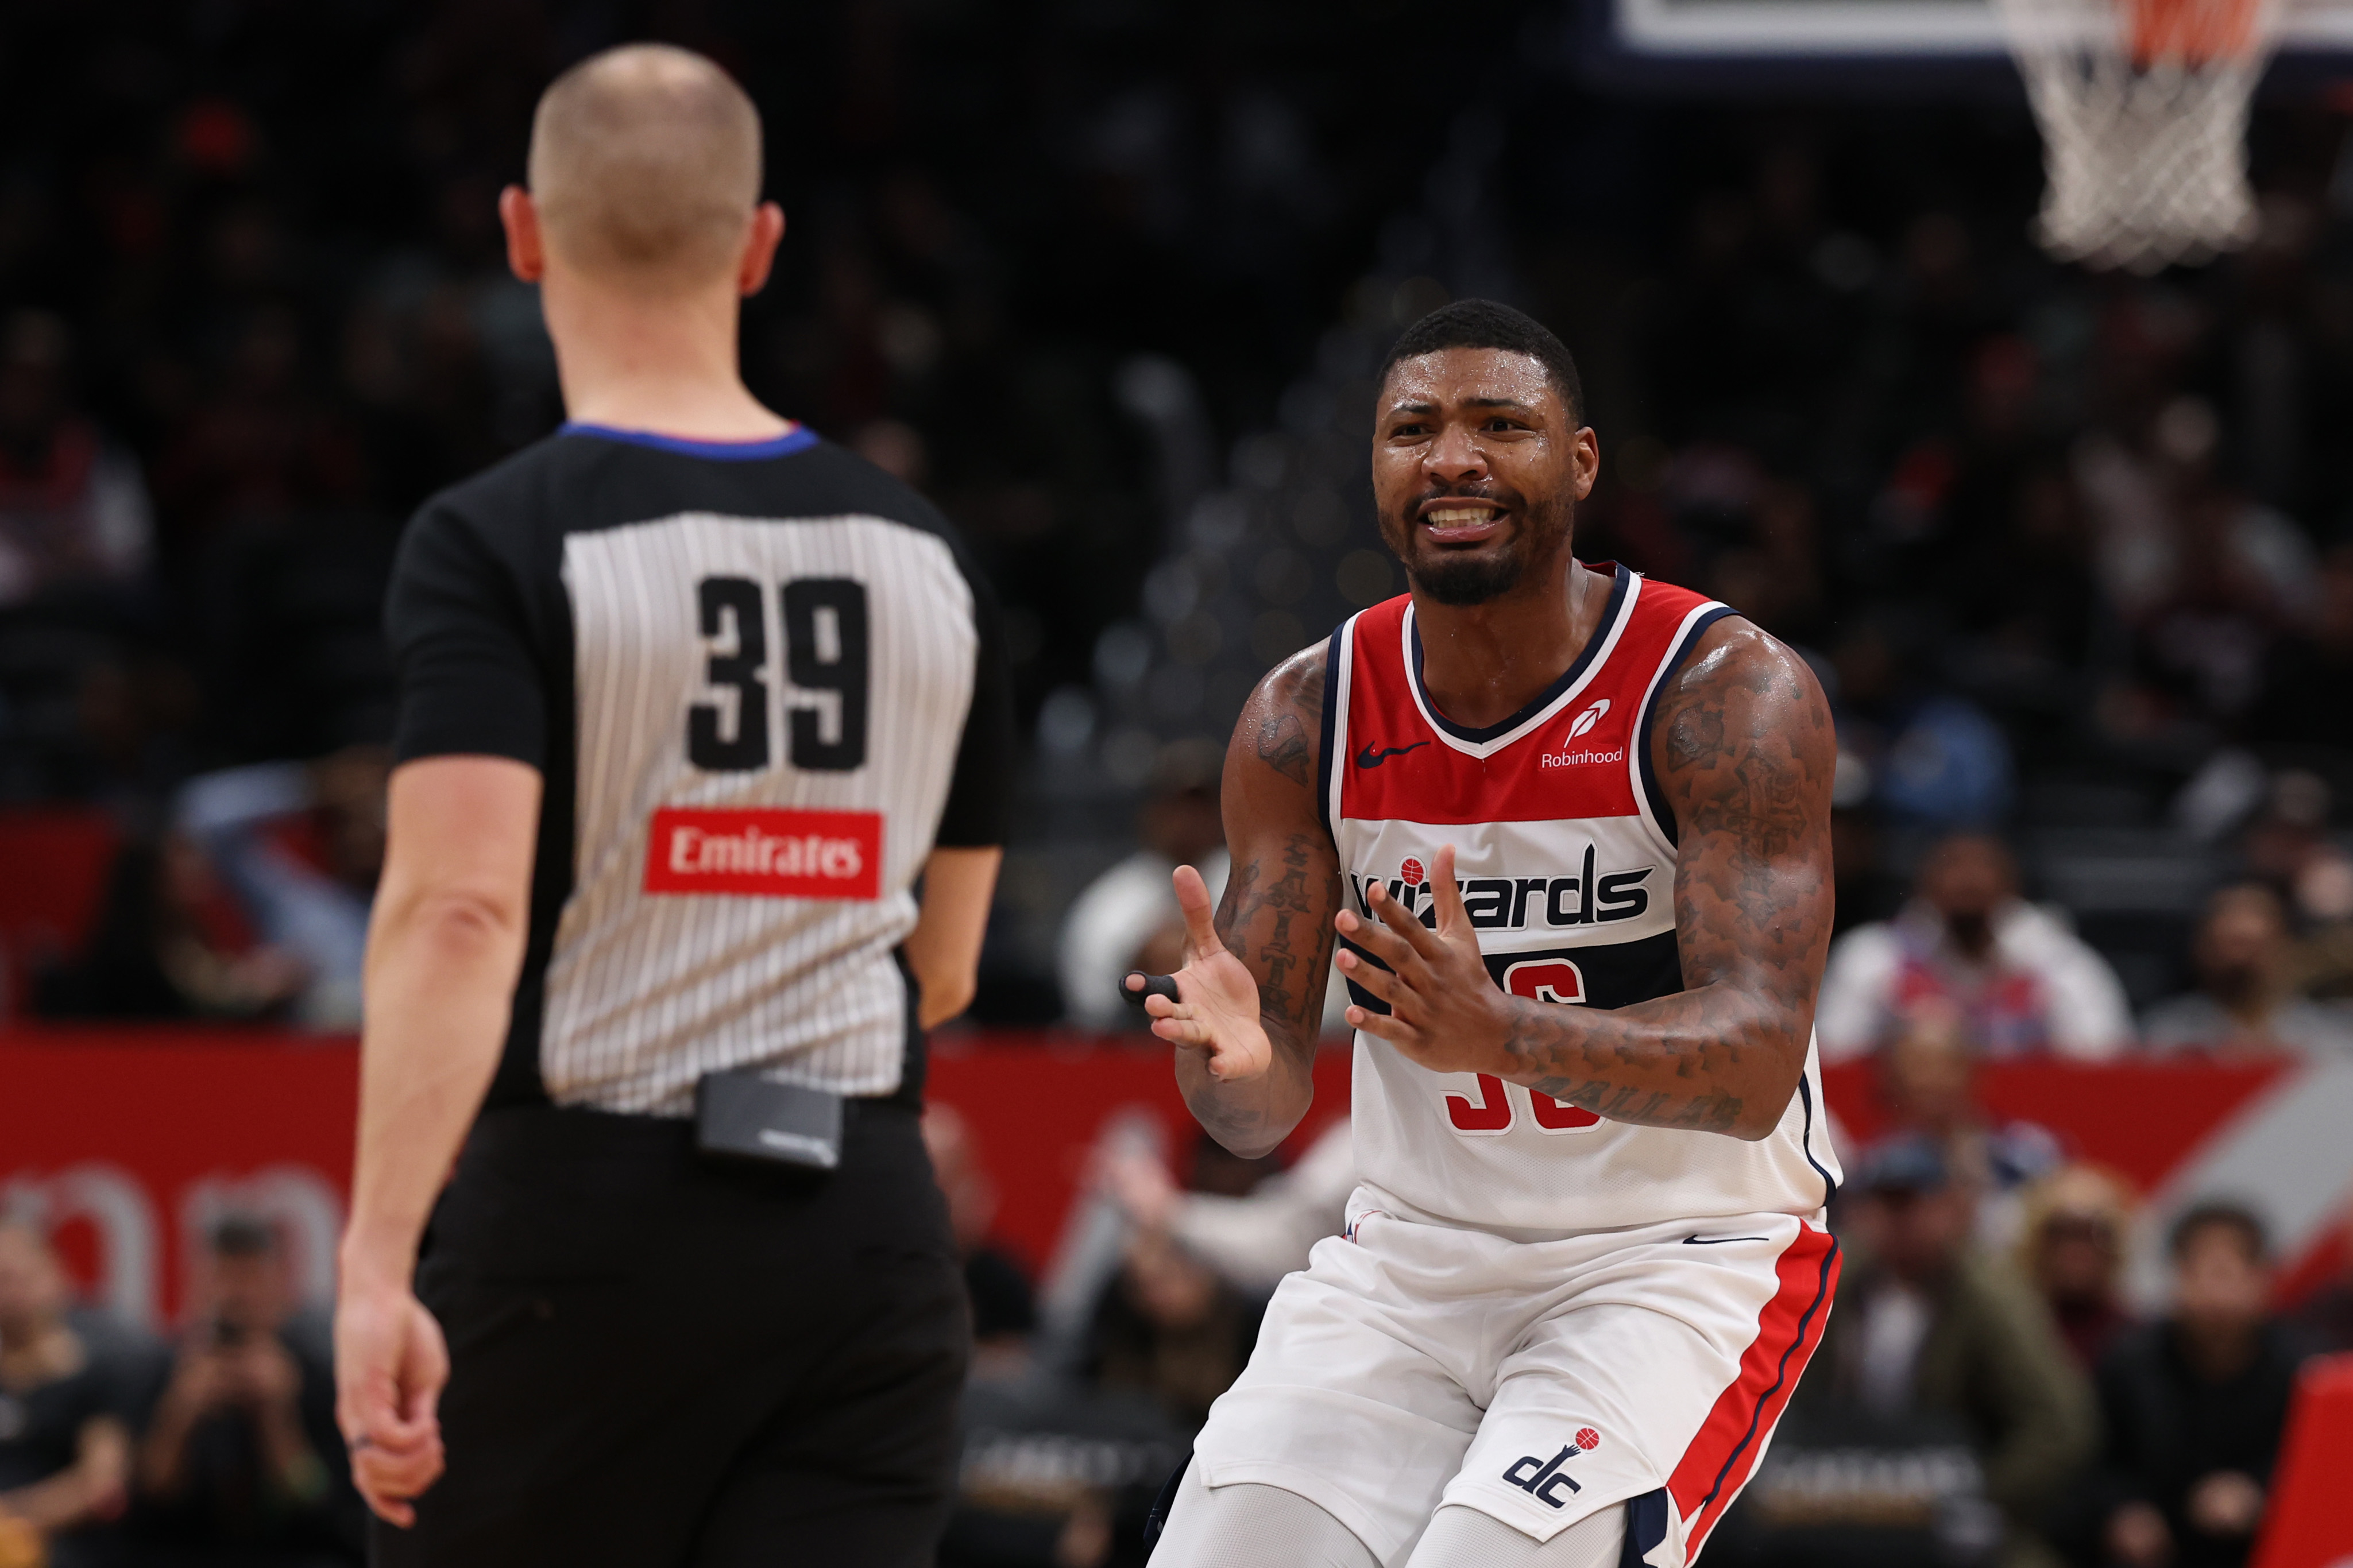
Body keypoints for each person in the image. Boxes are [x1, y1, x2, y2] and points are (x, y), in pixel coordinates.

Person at [330, 44, 1013, 1568]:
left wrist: (375, 1261)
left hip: (579, 1231)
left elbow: (458, 909)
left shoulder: (492, 538)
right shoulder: (927, 553)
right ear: (758, 245)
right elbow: (945, 962)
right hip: (865, 1231)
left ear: (523, 234)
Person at [1133, 299, 1846, 1568]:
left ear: (1579, 462)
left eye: (1498, 426)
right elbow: (1254, 1113)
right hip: (1408, 1263)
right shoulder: (1304, 716)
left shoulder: (1720, 692)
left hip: (1669, 1262)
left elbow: (1750, 1071)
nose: (1450, 459)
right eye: (1412, 429)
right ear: (1374, 466)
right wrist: (1233, 1065)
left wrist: (1496, 1031)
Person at [1802, 1137, 2095, 1568]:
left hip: (1957, 1508)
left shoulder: (1991, 1299)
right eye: (1883, 1203)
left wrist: (1980, 1493)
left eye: (1910, 1203)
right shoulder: (1827, 1286)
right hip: (1829, 1500)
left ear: (1951, 1208)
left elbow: (2061, 1424)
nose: (1897, 1220)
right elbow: (1777, 1396)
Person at [2076, 1204, 2310, 1568]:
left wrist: (2259, 1492)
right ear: (2177, 1275)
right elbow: (2095, 1461)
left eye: (2231, 1272)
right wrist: (2121, 1509)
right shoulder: (2129, 1362)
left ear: (2263, 1277)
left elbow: (2323, 1471)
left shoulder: (2306, 1369)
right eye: (2202, 1271)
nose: (2217, 1292)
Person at [133, 1217, 360, 1564]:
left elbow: (318, 1503)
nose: (235, 1295)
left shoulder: (318, 1377)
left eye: (250, 1279)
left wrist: (278, 1416)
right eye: (222, 1278)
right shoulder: (162, 1371)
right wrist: (180, 1413)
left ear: (280, 1286)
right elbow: (147, 1500)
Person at [1815, 832, 2132, 1062]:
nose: (1969, 880)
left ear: (2012, 885)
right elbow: (1836, 1055)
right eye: (1952, 866)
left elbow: (2101, 1058)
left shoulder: (2058, 960)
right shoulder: (1873, 955)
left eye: (1984, 868)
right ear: (1923, 884)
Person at [0, 1222, 133, 1568]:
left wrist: (12, 1520)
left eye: (21, 1278)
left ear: (57, 1277)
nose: (11, 1295)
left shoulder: (98, 1373)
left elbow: (101, 1483)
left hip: (62, 1550)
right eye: (2, 1280)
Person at [2141, 882, 2353, 1057]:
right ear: (2201, 948)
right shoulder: (2165, 1035)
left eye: (2252, 946)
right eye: (2227, 945)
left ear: (2283, 946)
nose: (2239, 959)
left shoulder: (2328, 1037)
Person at [2015, 1164, 2137, 1369]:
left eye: (2094, 1234)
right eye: (2061, 1232)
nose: (2077, 1249)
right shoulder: (2009, 1326)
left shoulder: (2138, 1340)